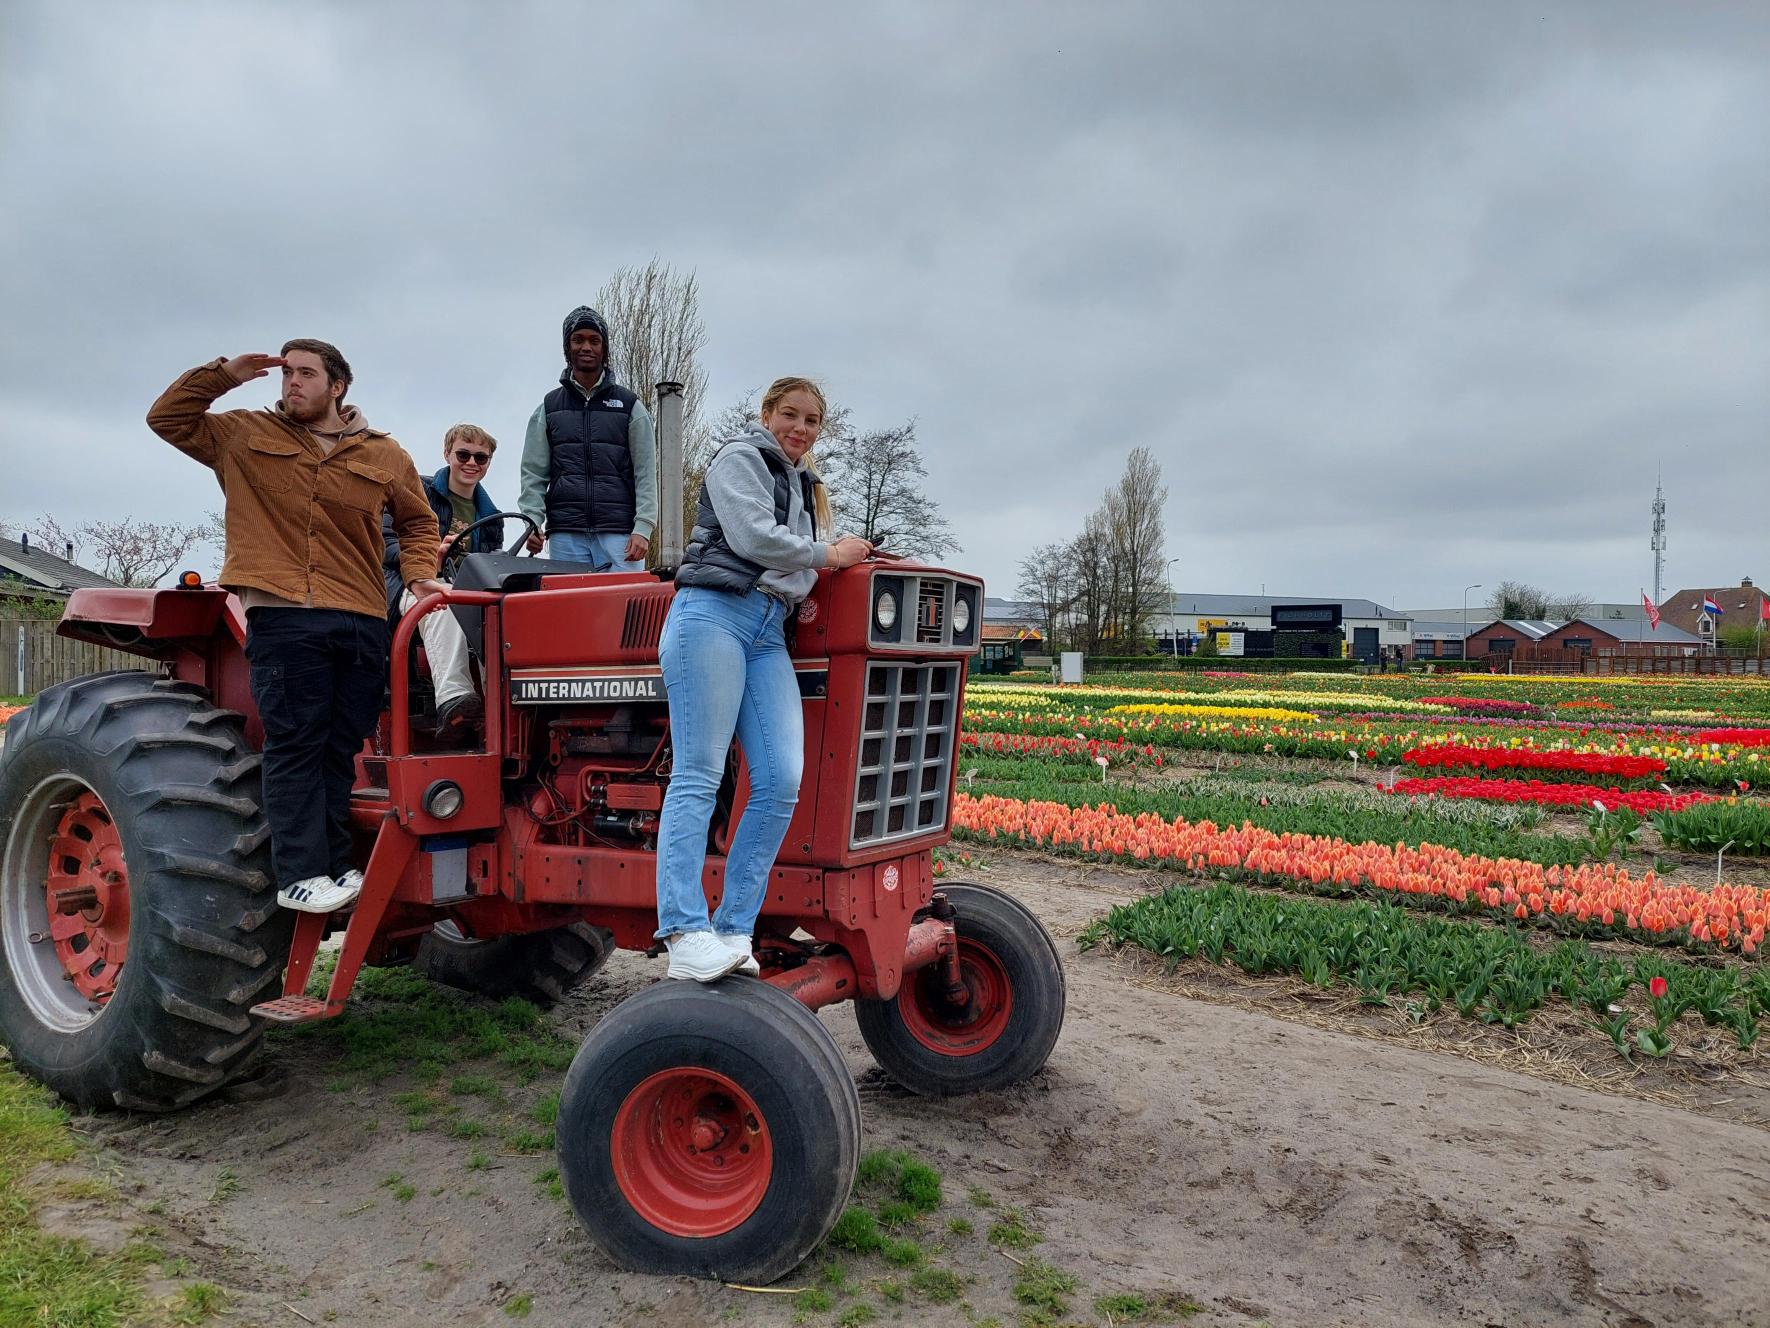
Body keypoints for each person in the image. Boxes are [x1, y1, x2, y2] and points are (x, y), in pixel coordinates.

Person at [147, 343, 443, 914]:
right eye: (286, 373)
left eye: (306, 373)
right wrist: (220, 377)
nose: (291, 382)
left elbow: (418, 522)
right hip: (284, 611)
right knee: (295, 743)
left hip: (360, 615)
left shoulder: (385, 454)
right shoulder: (241, 435)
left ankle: (335, 866)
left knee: (340, 748)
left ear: (338, 386)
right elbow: (167, 419)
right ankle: (300, 875)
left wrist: (420, 574)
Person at [653, 378, 873, 981]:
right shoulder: (738, 458)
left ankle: (733, 928)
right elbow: (752, 537)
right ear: (766, 414)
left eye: (811, 421)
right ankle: (682, 928)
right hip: (714, 616)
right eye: (790, 415)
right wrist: (828, 556)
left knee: (780, 779)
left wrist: (825, 568)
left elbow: (791, 562)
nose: (800, 429)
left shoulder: (803, 484)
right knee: (698, 772)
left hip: (768, 630)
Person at [383, 424, 506, 738]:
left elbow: (492, 562)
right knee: (444, 602)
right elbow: (383, 542)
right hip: (407, 583)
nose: (471, 463)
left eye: (481, 458)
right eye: (463, 454)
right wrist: (426, 557)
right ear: (447, 453)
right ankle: (455, 699)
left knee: (502, 613)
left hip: (470, 592)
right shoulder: (417, 492)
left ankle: (504, 706)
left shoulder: (491, 517)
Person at [518, 305, 657, 570]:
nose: (586, 347)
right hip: (566, 535)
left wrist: (644, 527)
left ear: (604, 349)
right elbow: (533, 474)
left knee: (624, 610)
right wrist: (532, 522)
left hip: (621, 535)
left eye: (594, 340)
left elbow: (646, 473)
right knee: (569, 611)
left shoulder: (631, 407)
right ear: (567, 346)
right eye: (578, 339)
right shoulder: (548, 408)